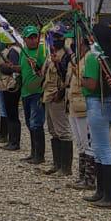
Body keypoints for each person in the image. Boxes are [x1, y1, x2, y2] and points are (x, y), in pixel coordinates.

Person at [80, 19, 111, 210]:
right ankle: (101, 191)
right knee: (98, 147)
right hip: (110, 103)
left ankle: (110, 195)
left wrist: (81, 79)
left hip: (96, 103)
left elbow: (91, 84)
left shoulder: (92, 57)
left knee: (103, 149)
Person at [40, 31, 74, 178]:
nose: (56, 40)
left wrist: (57, 63)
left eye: (59, 37)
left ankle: (66, 167)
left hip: (58, 96)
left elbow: (66, 76)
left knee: (63, 131)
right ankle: (57, 164)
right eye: (54, 37)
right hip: (48, 95)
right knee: (53, 130)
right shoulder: (50, 54)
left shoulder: (67, 56)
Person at [66, 26, 94, 190]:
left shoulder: (89, 57)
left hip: (83, 104)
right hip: (73, 103)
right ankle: (82, 176)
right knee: (80, 143)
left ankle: (89, 179)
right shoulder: (76, 58)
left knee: (87, 142)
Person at [18, 25, 49, 165]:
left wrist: (37, 66)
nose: (33, 40)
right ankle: (33, 152)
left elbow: (45, 70)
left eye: (34, 37)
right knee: (29, 123)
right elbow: (22, 69)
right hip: (25, 92)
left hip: (37, 92)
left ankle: (39, 155)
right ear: (24, 39)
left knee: (36, 123)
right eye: (29, 38)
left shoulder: (42, 51)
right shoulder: (23, 52)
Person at [0, 32, 21, 149]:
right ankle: (11, 140)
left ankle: (14, 141)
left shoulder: (13, 51)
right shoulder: (13, 50)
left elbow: (13, 68)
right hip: (9, 84)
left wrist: (0, 67)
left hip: (11, 84)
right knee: (9, 112)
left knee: (12, 113)